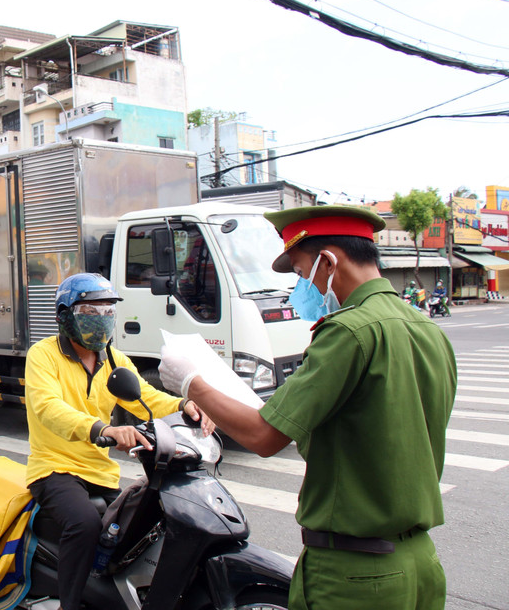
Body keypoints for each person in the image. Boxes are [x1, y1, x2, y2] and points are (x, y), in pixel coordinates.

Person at [159, 206, 456, 610]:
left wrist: (192, 384)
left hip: (355, 573)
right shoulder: (428, 330)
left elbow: (263, 437)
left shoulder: (349, 331)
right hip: (420, 563)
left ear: (329, 262)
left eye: (301, 274)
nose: (302, 289)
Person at [25, 273, 214, 610]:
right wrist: (104, 429)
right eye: (90, 310)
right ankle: (70, 604)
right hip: (54, 467)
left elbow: (147, 398)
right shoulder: (43, 355)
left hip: (100, 470)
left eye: (108, 311)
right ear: (65, 315)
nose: (101, 319)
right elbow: (47, 407)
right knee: (83, 524)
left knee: (147, 522)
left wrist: (184, 405)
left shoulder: (114, 360)